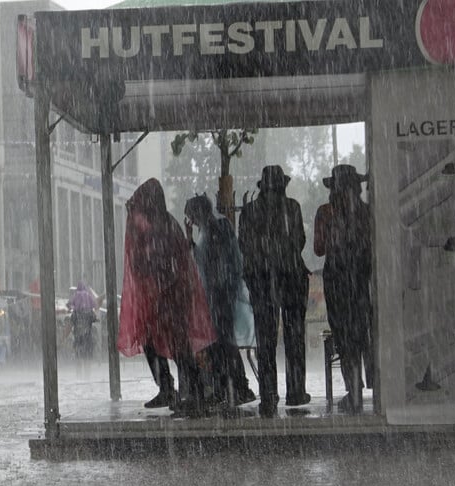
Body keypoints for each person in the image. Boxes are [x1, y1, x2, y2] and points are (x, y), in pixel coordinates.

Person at [117, 178, 216, 415]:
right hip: (167, 298)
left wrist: (158, 282)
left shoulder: (159, 227)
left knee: (177, 347)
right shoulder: (164, 224)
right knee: (163, 345)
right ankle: (185, 391)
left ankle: (191, 392)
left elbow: (158, 264)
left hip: (168, 299)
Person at [238, 165, 312, 417]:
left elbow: (244, 245)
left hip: (261, 281)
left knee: (266, 341)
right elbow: (300, 240)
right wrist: (283, 257)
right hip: (291, 278)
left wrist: (263, 263)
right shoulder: (292, 207)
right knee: (294, 338)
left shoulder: (249, 212)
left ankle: (269, 396)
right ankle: (295, 391)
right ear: (282, 186)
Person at [184, 194, 257, 406]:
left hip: (220, 296)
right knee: (222, 343)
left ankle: (236, 387)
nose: (192, 221)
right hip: (217, 295)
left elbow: (212, 263)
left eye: (192, 216)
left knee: (223, 343)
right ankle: (229, 387)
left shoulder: (217, 228)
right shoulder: (209, 230)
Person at [314, 165, 373, 414]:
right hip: (360, 281)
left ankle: (354, 390)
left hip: (336, 282)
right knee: (362, 334)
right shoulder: (366, 212)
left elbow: (318, 248)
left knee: (344, 336)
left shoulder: (326, 213)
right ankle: (372, 385)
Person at [68, 280, 99, 362]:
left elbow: (70, 303)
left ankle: (78, 374)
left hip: (78, 337)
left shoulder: (76, 295)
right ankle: (87, 374)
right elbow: (95, 305)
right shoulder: (88, 295)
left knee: (78, 358)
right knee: (87, 359)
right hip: (88, 338)